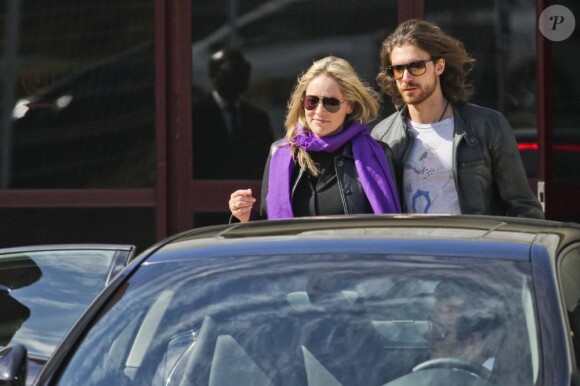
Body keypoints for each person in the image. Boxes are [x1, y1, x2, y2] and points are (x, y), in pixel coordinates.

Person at [372, 19, 544, 218]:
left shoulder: (486, 125)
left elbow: (523, 207)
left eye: (416, 66)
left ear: (439, 66)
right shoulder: (383, 136)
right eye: (398, 69)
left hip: (473, 248)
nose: (406, 77)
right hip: (412, 248)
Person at [229, 56, 400, 222]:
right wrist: (245, 215)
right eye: (312, 101)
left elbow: (386, 228)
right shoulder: (280, 153)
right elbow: (269, 228)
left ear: (350, 105)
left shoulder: (377, 154)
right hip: (295, 251)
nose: (319, 110)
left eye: (331, 102)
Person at [192, 47, 274, 180]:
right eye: (234, 68)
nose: (243, 74)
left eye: (245, 68)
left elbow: (267, 166)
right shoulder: (196, 117)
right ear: (214, 74)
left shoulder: (258, 119)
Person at [423, 279, 505, 371]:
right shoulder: (445, 373)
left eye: (438, 331)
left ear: (473, 341)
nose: (427, 335)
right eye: (430, 325)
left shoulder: (509, 380)